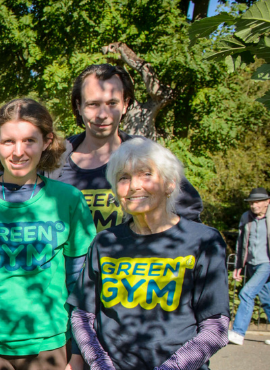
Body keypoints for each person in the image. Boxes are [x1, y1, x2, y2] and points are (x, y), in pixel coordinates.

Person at [0, 98, 95, 370]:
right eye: (8, 141)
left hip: (49, 345)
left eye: (29, 141)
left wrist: (79, 352)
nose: (18, 151)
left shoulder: (68, 200)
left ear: (46, 142)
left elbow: (80, 283)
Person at [70, 138, 230, 370]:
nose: (134, 185)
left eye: (146, 174)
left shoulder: (204, 240)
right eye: (123, 177)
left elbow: (216, 326)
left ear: (170, 184)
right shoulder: (105, 241)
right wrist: (101, 365)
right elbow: (82, 315)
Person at [49, 64, 203, 232]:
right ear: (79, 106)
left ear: (125, 104)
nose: (102, 114)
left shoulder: (150, 156)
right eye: (93, 104)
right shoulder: (52, 160)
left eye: (112, 103)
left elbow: (189, 219)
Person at [228, 187, 270, 345]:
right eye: (252, 202)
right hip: (252, 264)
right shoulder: (246, 217)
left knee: (246, 293)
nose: (254, 205)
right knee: (267, 300)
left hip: (267, 263)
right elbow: (241, 242)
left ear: (267, 202)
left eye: (258, 202)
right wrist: (239, 265)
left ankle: (238, 333)